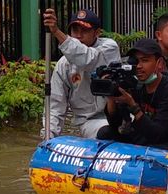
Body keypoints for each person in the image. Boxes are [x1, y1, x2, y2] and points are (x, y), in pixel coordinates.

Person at [97, 38, 168, 153]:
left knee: (149, 149)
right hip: (148, 137)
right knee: (105, 133)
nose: (139, 66)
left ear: (159, 64)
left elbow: (157, 134)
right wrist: (111, 95)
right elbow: (116, 125)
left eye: (144, 60)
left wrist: (132, 105)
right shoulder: (136, 86)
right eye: (135, 61)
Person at [42, 7, 121, 139]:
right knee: (107, 132)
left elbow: (86, 58)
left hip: (119, 114)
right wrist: (48, 135)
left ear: (97, 32)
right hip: (90, 122)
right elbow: (55, 105)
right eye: (75, 31)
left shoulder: (109, 48)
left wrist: (56, 32)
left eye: (84, 30)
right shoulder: (64, 65)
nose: (78, 36)